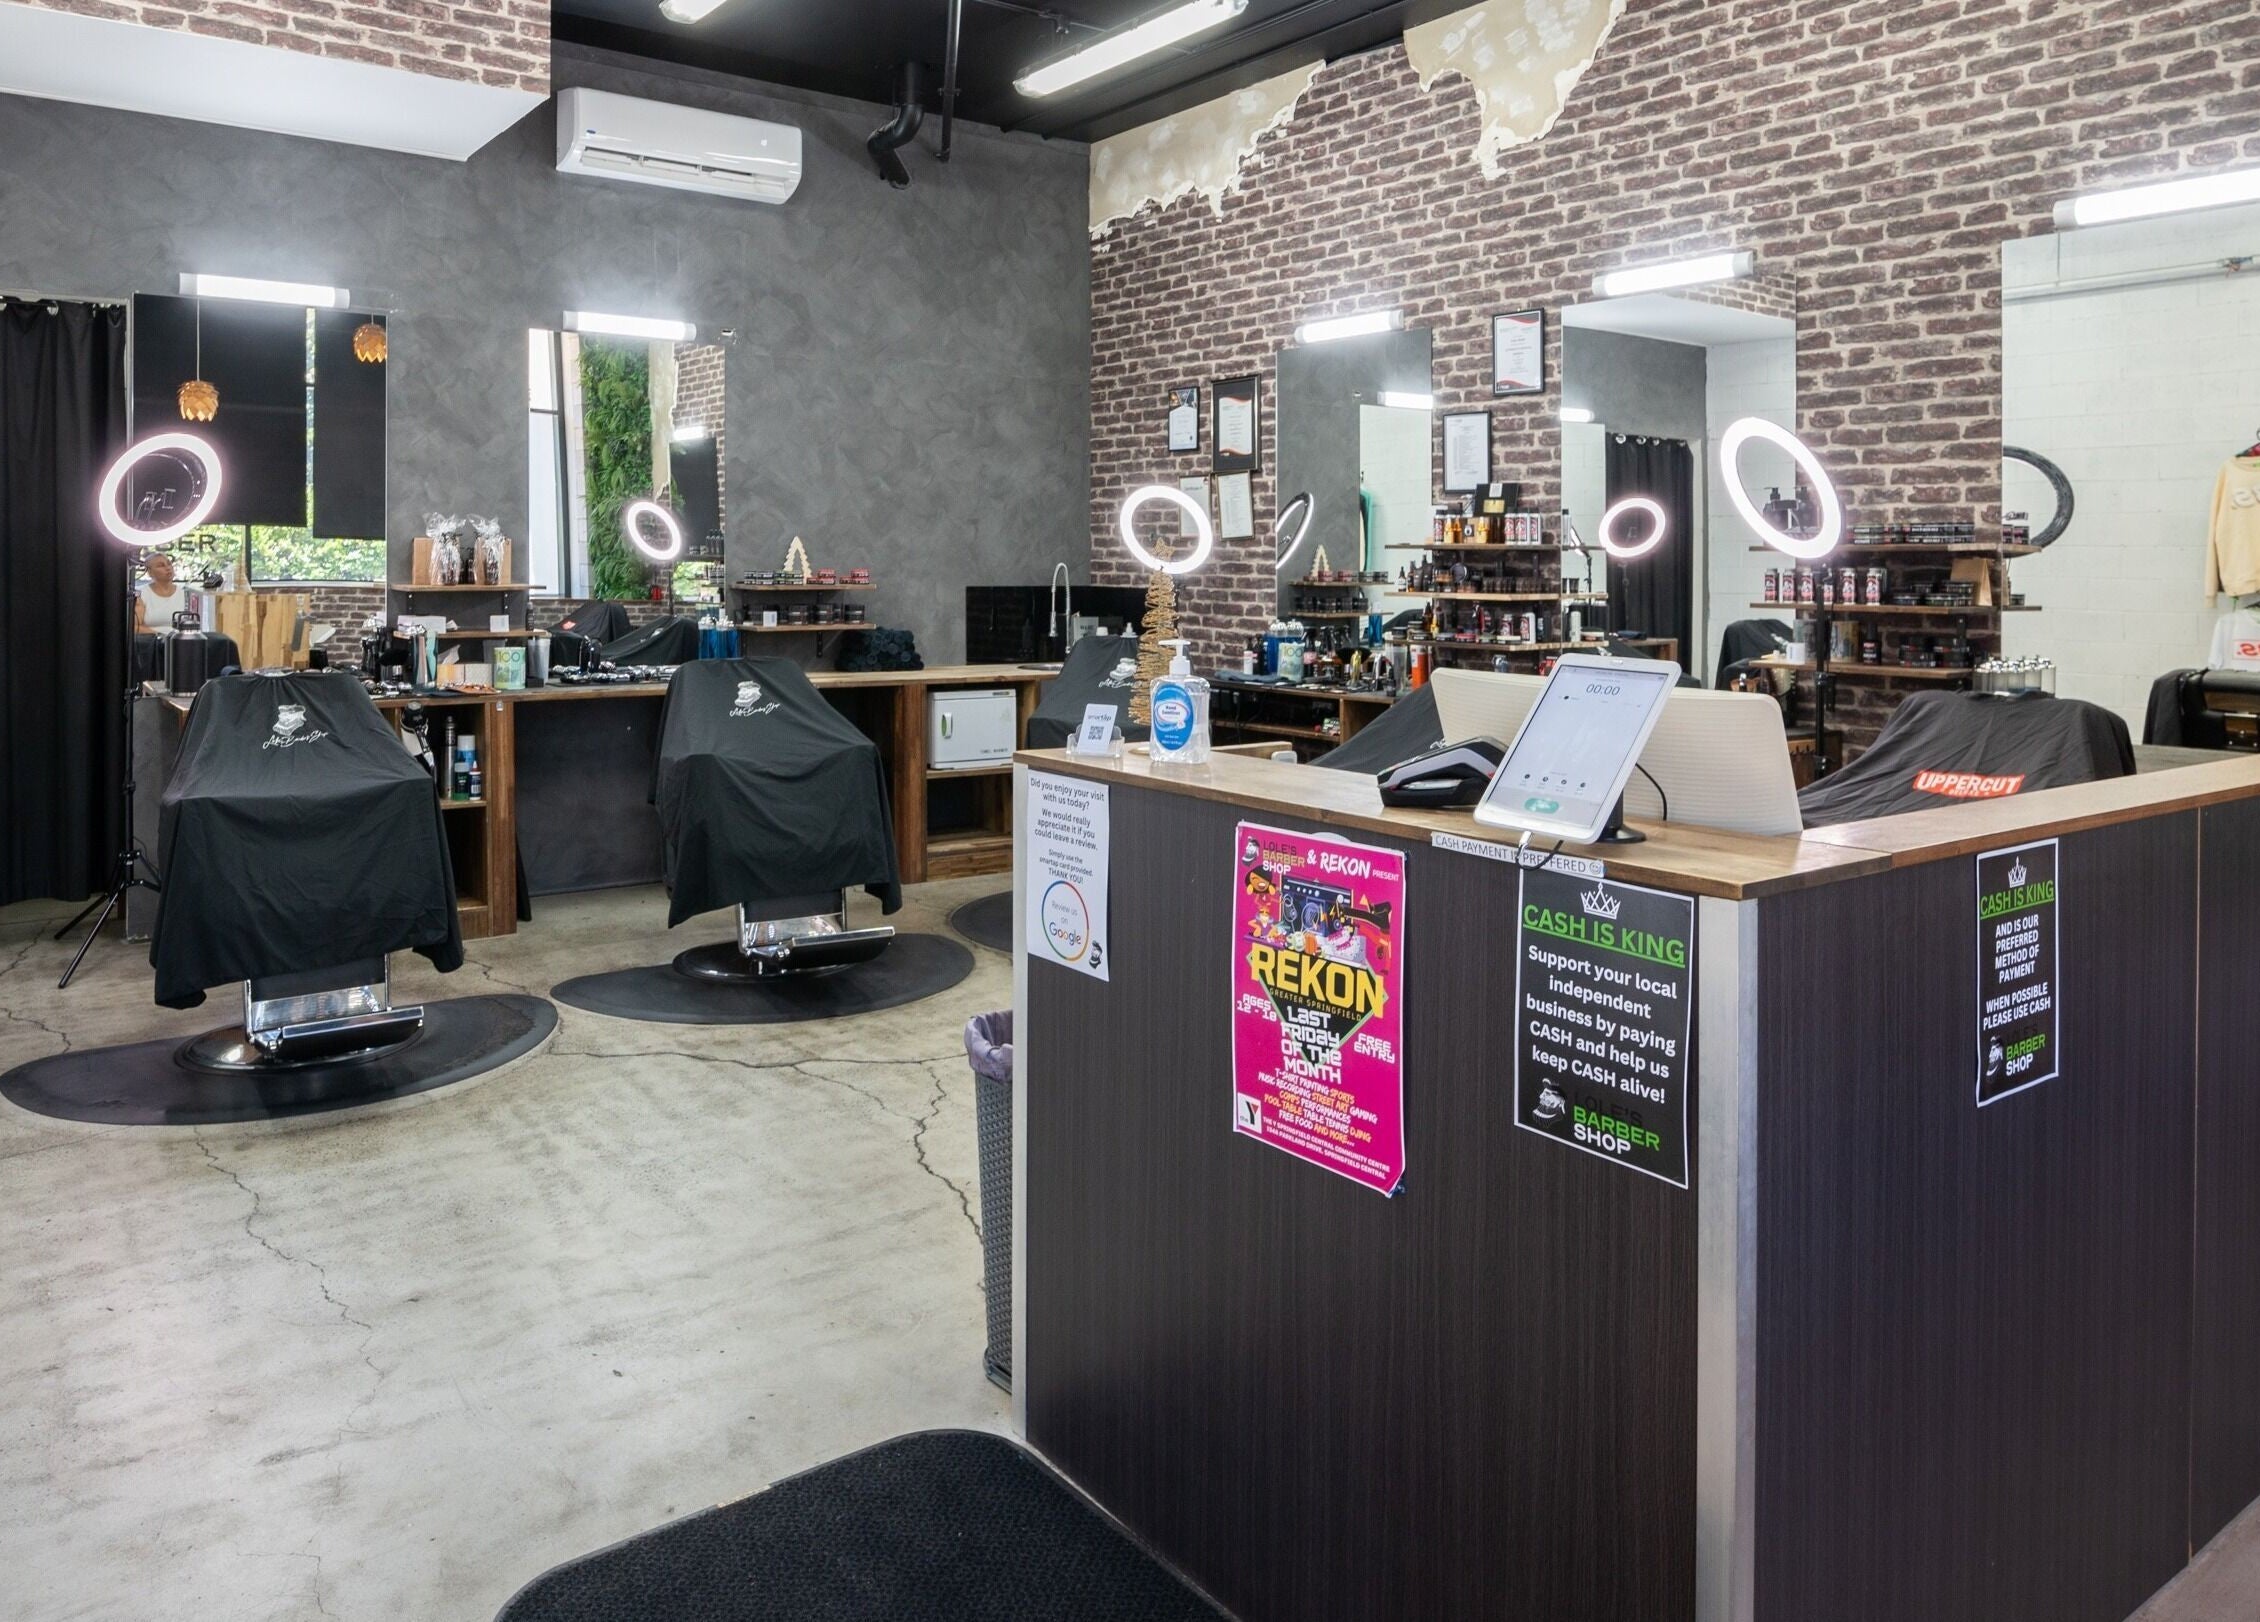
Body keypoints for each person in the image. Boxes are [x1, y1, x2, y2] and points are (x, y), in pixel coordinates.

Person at [134, 551, 201, 634]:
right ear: (149, 572)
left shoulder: (186, 594)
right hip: (152, 643)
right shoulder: (140, 594)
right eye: (160, 565)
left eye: (169, 564)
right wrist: (162, 636)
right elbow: (135, 627)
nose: (168, 568)